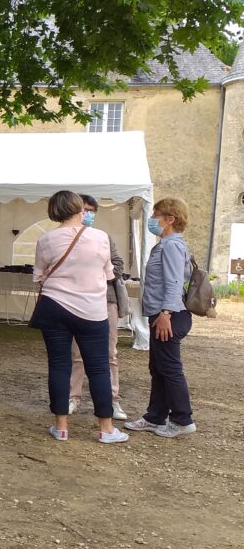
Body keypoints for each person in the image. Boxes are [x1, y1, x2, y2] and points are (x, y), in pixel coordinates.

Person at [33, 190, 127, 444]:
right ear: (79, 209)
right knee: (98, 368)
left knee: (59, 365)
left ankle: (61, 426)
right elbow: (109, 273)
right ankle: (106, 429)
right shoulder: (101, 238)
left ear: (54, 212)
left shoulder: (46, 239)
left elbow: (38, 275)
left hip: (55, 306)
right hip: (91, 309)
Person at [125, 197, 197, 438]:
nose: (152, 220)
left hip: (170, 315)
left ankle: (182, 420)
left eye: (156, 215)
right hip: (164, 314)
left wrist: (166, 313)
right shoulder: (167, 244)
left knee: (169, 368)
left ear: (170, 219)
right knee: (159, 367)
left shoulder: (171, 246)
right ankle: (155, 417)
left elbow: (175, 282)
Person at [68, 195, 130, 420]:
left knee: (110, 352)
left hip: (106, 300)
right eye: (84, 209)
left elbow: (119, 265)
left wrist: (96, 274)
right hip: (77, 300)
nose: (88, 214)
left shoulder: (103, 237)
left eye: (92, 210)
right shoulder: (65, 237)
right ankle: (73, 397)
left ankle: (113, 400)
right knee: (77, 353)